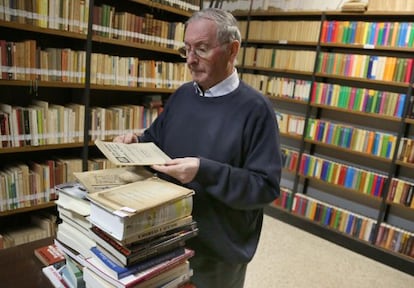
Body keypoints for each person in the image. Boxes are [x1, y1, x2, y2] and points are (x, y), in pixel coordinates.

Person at [114, 8, 282, 288]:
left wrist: (204, 171)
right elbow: (156, 143)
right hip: (164, 237)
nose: (190, 60)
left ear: (232, 50)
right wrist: (136, 143)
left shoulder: (256, 110)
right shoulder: (182, 95)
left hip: (216, 251)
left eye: (202, 49)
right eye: (187, 49)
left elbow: (264, 187)